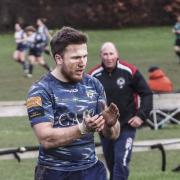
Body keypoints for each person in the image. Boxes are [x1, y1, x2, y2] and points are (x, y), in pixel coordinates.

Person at [26, 27, 120, 180]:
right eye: (76, 58)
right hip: (54, 172)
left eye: (85, 56)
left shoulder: (93, 85)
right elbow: (46, 139)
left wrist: (110, 125)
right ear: (59, 59)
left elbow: (113, 135)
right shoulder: (41, 90)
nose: (82, 63)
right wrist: (84, 128)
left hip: (91, 171)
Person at [89, 42, 152, 180]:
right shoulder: (93, 76)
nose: (108, 57)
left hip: (126, 126)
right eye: (105, 54)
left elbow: (147, 93)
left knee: (121, 162)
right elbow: (86, 99)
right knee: (112, 164)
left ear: (117, 54)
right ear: (101, 55)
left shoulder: (129, 71)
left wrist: (141, 116)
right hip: (106, 128)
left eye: (111, 53)